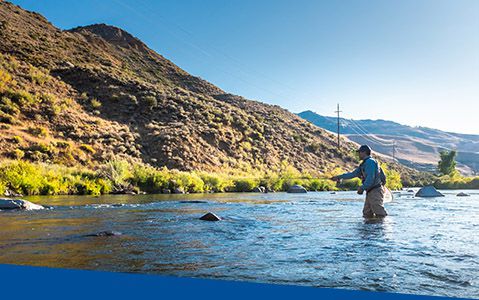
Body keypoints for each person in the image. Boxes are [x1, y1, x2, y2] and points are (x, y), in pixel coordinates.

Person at [331, 145, 388, 218]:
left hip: (375, 191)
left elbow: (371, 178)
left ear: (364, 152)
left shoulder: (370, 162)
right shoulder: (364, 164)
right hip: (371, 191)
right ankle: (369, 228)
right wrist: (339, 177)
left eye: (359, 152)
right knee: (367, 213)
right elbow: (352, 174)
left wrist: (362, 187)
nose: (358, 154)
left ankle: (382, 228)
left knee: (379, 212)